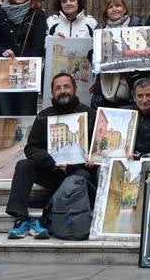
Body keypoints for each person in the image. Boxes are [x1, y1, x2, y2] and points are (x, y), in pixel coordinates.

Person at [6, 72, 92, 239]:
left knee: (82, 175)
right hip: (50, 170)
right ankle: (20, 218)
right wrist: (51, 162)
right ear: (52, 93)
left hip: (76, 174)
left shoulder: (89, 115)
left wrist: (87, 161)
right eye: (57, 88)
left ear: (74, 89)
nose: (62, 91)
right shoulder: (44, 116)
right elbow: (31, 148)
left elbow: (97, 149)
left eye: (66, 86)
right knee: (24, 165)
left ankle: (45, 219)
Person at [0, 0, 47, 116]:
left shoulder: (37, 14)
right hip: (5, 71)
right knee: (6, 114)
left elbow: (38, 45)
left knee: (26, 114)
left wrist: (26, 64)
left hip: (28, 71)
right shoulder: (0, 13)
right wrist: (2, 51)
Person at [93, 0, 141, 111]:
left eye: (118, 6)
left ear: (124, 9)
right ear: (106, 12)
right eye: (110, 7)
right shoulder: (100, 29)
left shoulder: (135, 25)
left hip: (129, 79)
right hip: (106, 80)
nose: (114, 9)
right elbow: (93, 53)